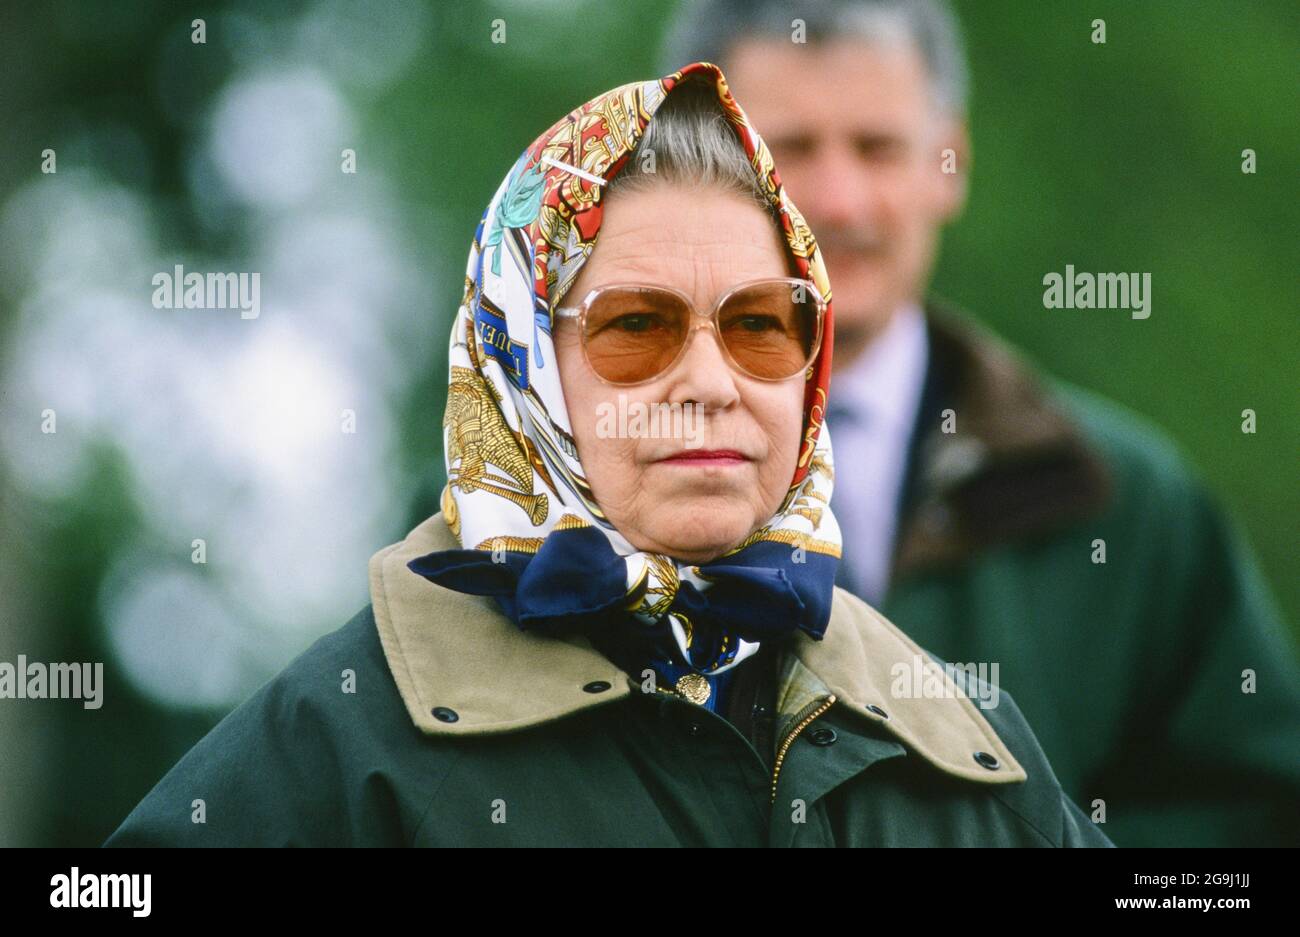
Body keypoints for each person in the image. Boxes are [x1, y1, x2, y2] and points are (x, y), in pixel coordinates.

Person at [104, 63, 1110, 847]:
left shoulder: (961, 745)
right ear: (522, 368)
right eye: (637, 325)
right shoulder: (347, 744)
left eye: (761, 324)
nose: (711, 381)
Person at [662, 0, 1300, 846]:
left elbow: (1246, 830)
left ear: (949, 163)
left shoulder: (1127, 502)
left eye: (878, 148)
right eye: (790, 150)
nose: (839, 200)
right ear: (686, 168)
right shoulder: (542, 486)